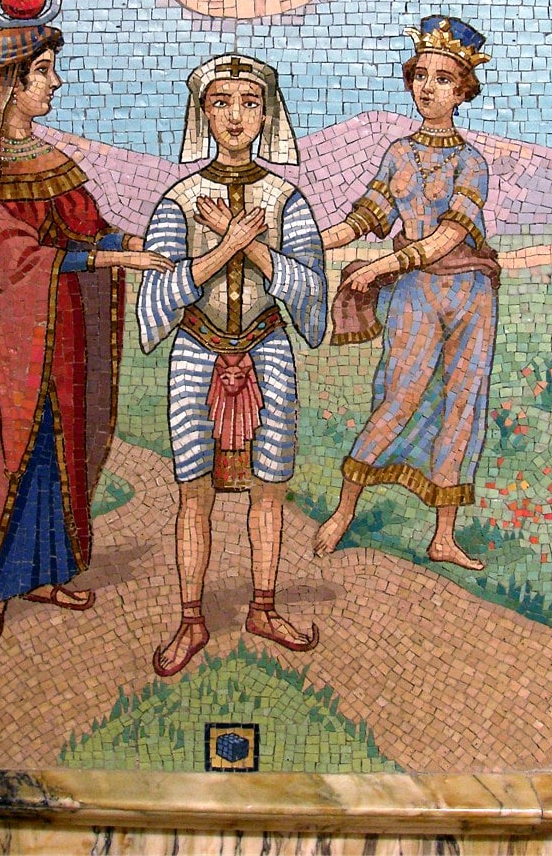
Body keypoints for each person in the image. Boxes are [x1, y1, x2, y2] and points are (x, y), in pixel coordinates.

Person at [0, 0, 172, 647]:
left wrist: (138, 242)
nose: (55, 83)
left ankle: (47, 572)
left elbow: (85, 228)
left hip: (62, 331)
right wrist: (111, 260)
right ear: (10, 84)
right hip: (7, 339)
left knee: (58, 449)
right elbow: (11, 262)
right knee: (6, 455)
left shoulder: (52, 164)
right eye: (43, 72)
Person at [137, 55, 327, 676]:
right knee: (194, 492)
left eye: (249, 102)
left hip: (268, 350)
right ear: (203, 114)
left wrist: (251, 245)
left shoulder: (286, 199)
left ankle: (263, 607)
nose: (236, 116)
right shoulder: (179, 200)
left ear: (267, 114)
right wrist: (226, 246)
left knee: (269, 490)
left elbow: (311, 292)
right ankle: (191, 618)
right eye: (221, 102)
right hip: (196, 351)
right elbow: (158, 295)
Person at [313, 17, 501, 571]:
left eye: (443, 79)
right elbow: (365, 219)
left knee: (461, 402)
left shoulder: (472, 162)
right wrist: (306, 240)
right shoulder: (398, 153)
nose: (428, 87)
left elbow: (450, 235)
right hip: (416, 294)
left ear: (462, 91)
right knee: (398, 396)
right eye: (421, 75)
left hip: (469, 294)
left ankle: (443, 536)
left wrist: (384, 264)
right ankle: (344, 512)